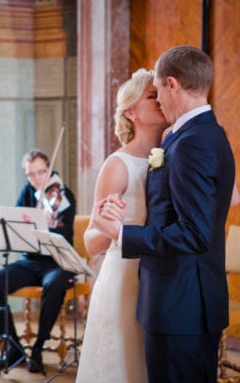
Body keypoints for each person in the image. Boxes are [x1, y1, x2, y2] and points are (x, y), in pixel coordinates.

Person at [102, 45, 236, 383]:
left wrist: (123, 234)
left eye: (158, 89)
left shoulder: (192, 142)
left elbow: (195, 232)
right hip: (183, 300)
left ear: (172, 85)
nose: (158, 99)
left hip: (181, 304)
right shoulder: (201, 134)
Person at [76, 69, 169, 382]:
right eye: (152, 96)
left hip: (163, 279)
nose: (161, 100)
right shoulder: (118, 165)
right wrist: (108, 225)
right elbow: (90, 242)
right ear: (131, 112)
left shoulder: (175, 155)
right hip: (124, 282)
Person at [0, 149, 76, 373]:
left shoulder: (64, 195)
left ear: (49, 169)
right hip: (31, 262)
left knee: (53, 286)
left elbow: (66, 232)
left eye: (41, 172)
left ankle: (38, 348)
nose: (37, 178)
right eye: (31, 174)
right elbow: (14, 227)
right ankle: (13, 348)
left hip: (58, 262)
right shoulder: (27, 193)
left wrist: (50, 223)